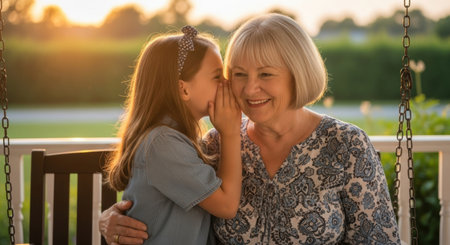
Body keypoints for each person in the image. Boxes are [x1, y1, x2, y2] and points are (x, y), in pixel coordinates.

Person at [100, 13, 401, 244]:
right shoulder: (215, 145)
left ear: (298, 74)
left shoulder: (345, 144)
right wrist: (112, 220)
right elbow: (160, 199)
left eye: (266, 73)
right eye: (239, 74)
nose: (250, 88)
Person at [103, 25, 242, 245]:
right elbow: (226, 206)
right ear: (183, 89)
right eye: (217, 76)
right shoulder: (162, 144)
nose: (227, 83)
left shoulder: (177, 139)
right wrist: (231, 133)